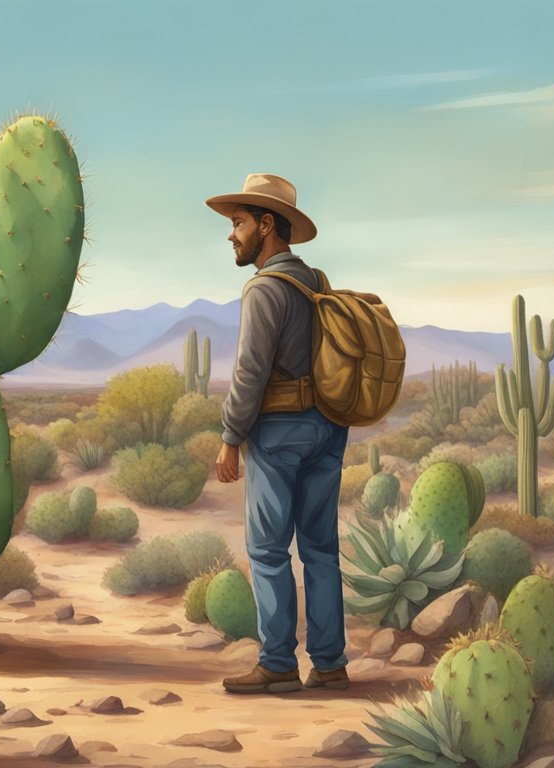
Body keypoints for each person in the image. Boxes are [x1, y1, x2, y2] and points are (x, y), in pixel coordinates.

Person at [205, 174, 350, 694]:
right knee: (320, 548)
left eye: (239, 223)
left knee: (268, 550)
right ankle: (330, 664)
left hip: (279, 431)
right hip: (328, 427)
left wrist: (229, 437)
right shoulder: (315, 283)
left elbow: (250, 371)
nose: (232, 234)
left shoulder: (265, 288)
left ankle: (278, 664)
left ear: (267, 226)